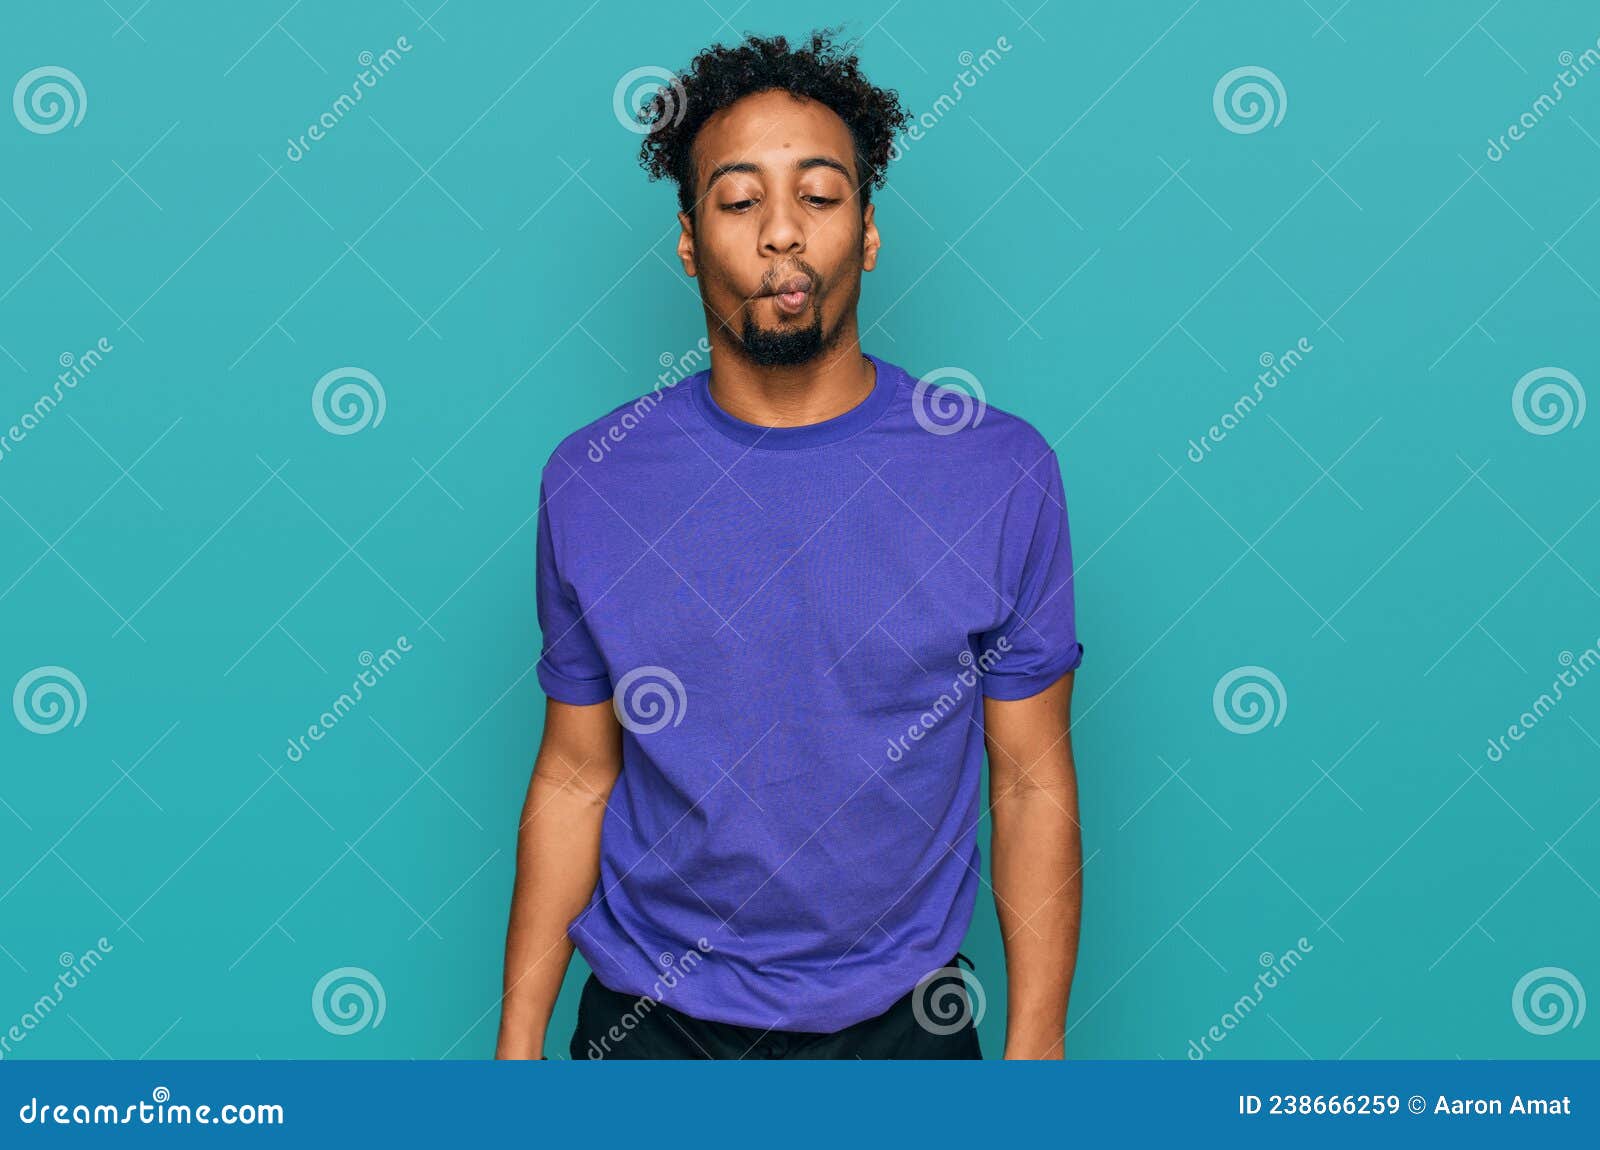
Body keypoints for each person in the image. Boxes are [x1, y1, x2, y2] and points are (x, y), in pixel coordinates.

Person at [494, 27, 1084, 1060]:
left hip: (903, 1026)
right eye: (738, 200)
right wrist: (513, 1053)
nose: (781, 234)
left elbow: (1031, 779)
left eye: (817, 196)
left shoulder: (998, 470)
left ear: (865, 233)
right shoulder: (593, 478)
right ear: (688, 240)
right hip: (647, 1026)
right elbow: (574, 776)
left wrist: (1037, 1060)